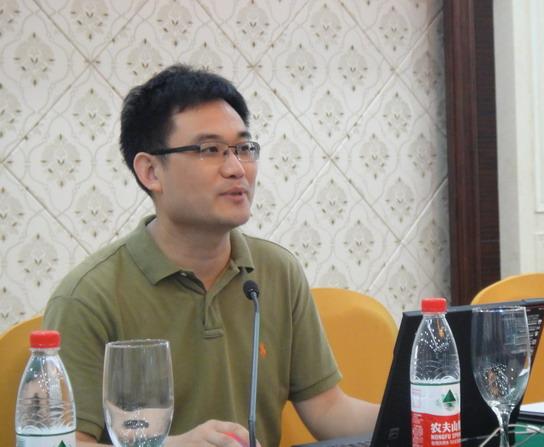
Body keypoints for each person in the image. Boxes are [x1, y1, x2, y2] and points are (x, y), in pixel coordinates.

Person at [43, 64, 379, 447]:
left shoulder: (276, 270)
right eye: (209, 150)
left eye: (243, 148)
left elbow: (328, 410)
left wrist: (420, 409)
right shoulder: (88, 296)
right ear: (151, 171)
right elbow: (61, 443)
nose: (236, 169)